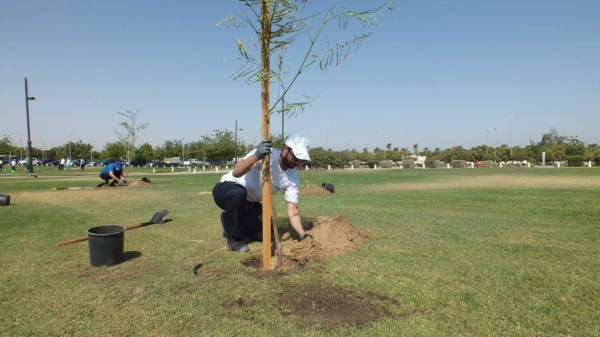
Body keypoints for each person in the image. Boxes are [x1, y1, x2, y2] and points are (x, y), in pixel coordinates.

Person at [212, 134, 313, 252]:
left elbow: (293, 209)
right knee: (238, 193)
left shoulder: (292, 178)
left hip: (249, 203)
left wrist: (302, 234)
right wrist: (256, 156)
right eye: (296, 158)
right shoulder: (266, 155)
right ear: (285, 149)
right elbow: (236, 172)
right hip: (227, 191)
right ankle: (234, 239)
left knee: (266, 233)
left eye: (302, 160)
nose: (298, 163)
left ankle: (228, 222)